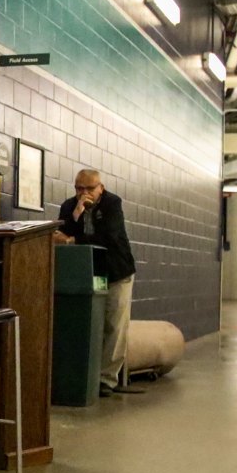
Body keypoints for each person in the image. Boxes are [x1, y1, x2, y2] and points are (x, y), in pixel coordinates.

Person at [54, 169, 137, 398]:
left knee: (114, 325)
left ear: (101, 187)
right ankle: (83, 373)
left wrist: (73, 240)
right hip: (87, 272)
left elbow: (109, 236)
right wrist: (78, 212)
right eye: (79, 188)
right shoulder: (70, 205)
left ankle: (106, 379)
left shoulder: (112, 204)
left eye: (90, 188)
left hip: (117, 270)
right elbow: (61, 233)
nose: (84, 192)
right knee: (87, 323)